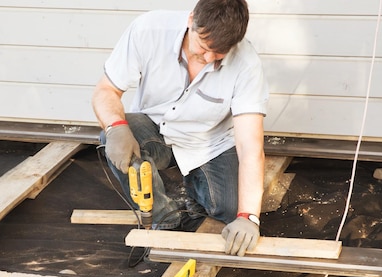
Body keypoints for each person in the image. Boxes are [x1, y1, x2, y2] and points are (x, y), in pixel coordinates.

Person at [92, 0, 268, 257]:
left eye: (219, 53)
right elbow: (106, 91)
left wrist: (248, 216)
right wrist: (115, 127)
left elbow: (250, 146)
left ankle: (197, 193)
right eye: (203, 47)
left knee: (230, 212)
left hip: (209, 142)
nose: (208, 59)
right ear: (191, 19)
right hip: (155, 129)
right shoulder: (148, 31)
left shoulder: (247, 64)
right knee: (112, 140)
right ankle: (164, 217)